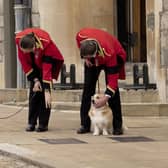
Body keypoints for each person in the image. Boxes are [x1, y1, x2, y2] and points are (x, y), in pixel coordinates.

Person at [76, 27, 126, 135]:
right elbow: (78, 43)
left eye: (90, 56)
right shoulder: (80, 36)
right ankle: (84, 124)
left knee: (113, 92)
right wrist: (87, 59)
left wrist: (105, 98)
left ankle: (117, 126)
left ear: (95, 52)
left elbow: (113, 80)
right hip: (93, 56)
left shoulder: (109, 52)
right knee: (88, 88)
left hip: (115, 56)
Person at [15, 28, 64, 132]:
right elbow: (24, 62)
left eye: (25, 51)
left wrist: (47, 90)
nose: (23, 52)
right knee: (34, 94)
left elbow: (47, 70)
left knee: (45, 97)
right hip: (33, 65)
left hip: (46, 62)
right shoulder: (20, 41)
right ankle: (31, 122)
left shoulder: (46, 45)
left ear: (33, 48)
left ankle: (43, 123)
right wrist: (35, 80)